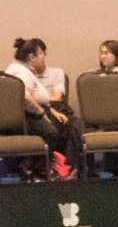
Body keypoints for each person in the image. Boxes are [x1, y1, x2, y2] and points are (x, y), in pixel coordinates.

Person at [4, 38, 78, 180]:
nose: (44, 57)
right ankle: (37, 169)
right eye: (42, 54)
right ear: (32, 57)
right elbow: (24, 97)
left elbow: (35, 98)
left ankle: (57, 168)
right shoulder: (21, 72)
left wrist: (51, 111)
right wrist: (42, 113)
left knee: (69, 124)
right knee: (59, 130)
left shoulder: (19, 69)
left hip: (29, 115)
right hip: (27, 117)